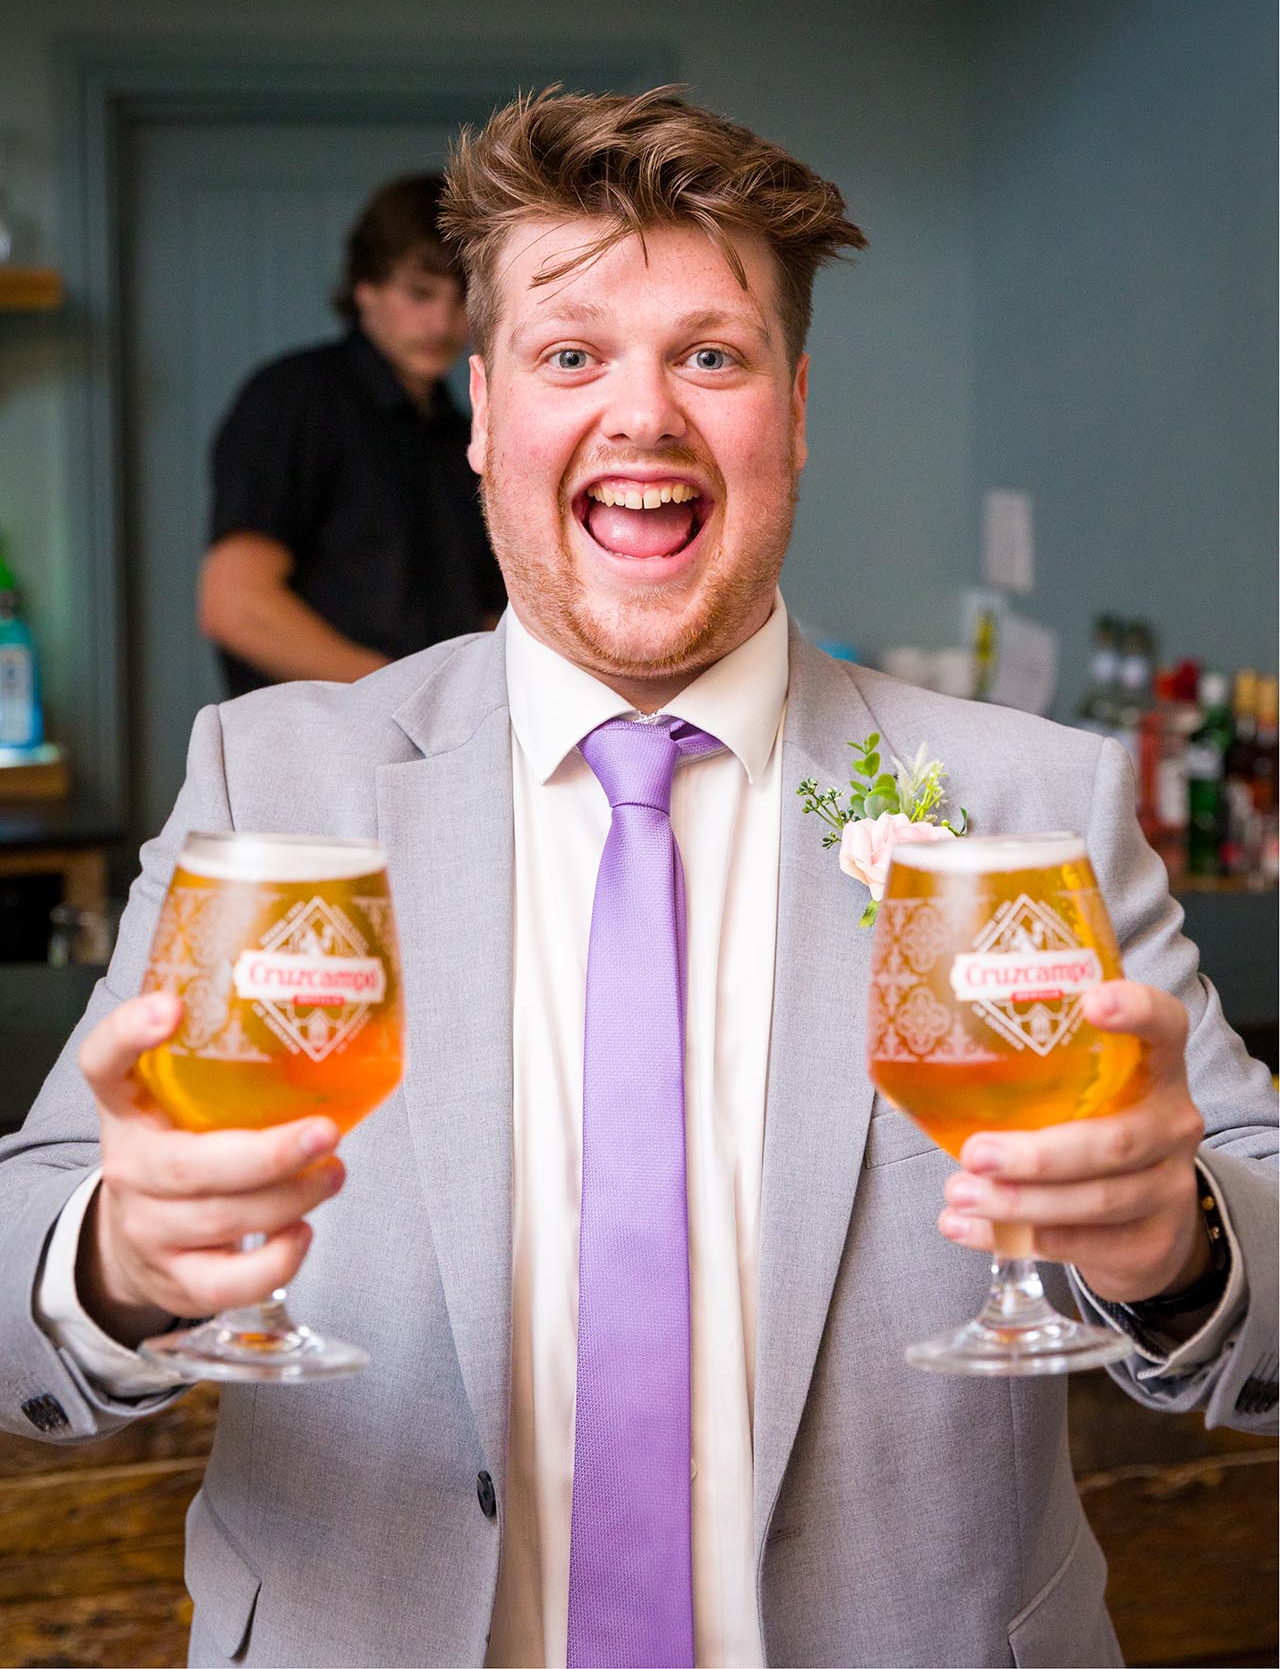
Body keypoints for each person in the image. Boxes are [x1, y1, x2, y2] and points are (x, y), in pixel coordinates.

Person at [1, 89, 1275, 1669]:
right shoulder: (278, 783)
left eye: (712, 356)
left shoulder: (1026, 800)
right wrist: (116, 1259)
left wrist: (1185, 1248)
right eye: (571, 353)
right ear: (481, 410)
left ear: (795, 410)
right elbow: (19, 1266)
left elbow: (1262, 1227)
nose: (644, 415)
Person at [199, 172, 505, 696]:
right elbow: (235, 604)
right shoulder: (296, 397)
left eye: (461, 300)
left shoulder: (464, 429)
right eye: (419, 293)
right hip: (318, 745)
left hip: (442, 742)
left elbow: (485, 612)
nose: (441, 322)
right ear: (365, 289)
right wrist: (397, 697)